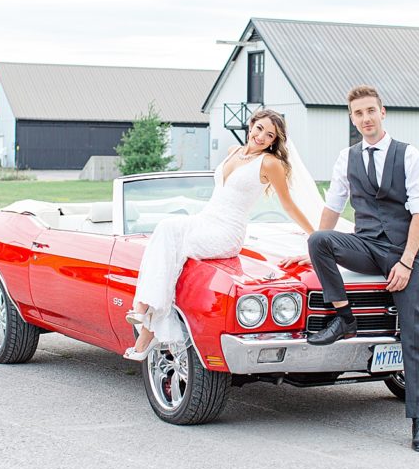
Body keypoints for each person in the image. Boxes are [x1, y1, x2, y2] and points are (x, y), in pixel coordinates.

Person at [279, 85, 419, 452]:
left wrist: (406, 261)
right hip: (366, 244)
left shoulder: (408, 155)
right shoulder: (346, 158)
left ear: (383, 113)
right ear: (352, 118)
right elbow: (332, 208)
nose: (365, 118)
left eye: (370, 111)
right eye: (358, 113)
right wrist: (316, 252)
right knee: (318, 240)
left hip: (403, 247)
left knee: (414, 330)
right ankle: (344, 318)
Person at [124, 109, 316, 360]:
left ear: (274, 142)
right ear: (251, 125)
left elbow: (288, 204)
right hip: (205, 220)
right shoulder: (233, 152)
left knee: (172, 244)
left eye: (270, 136)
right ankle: (146, 323)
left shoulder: (270, 163)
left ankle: (145, 320)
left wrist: (315, 235)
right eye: (260, 129)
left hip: (227, 232)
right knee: (164, 231)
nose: (261, 137)